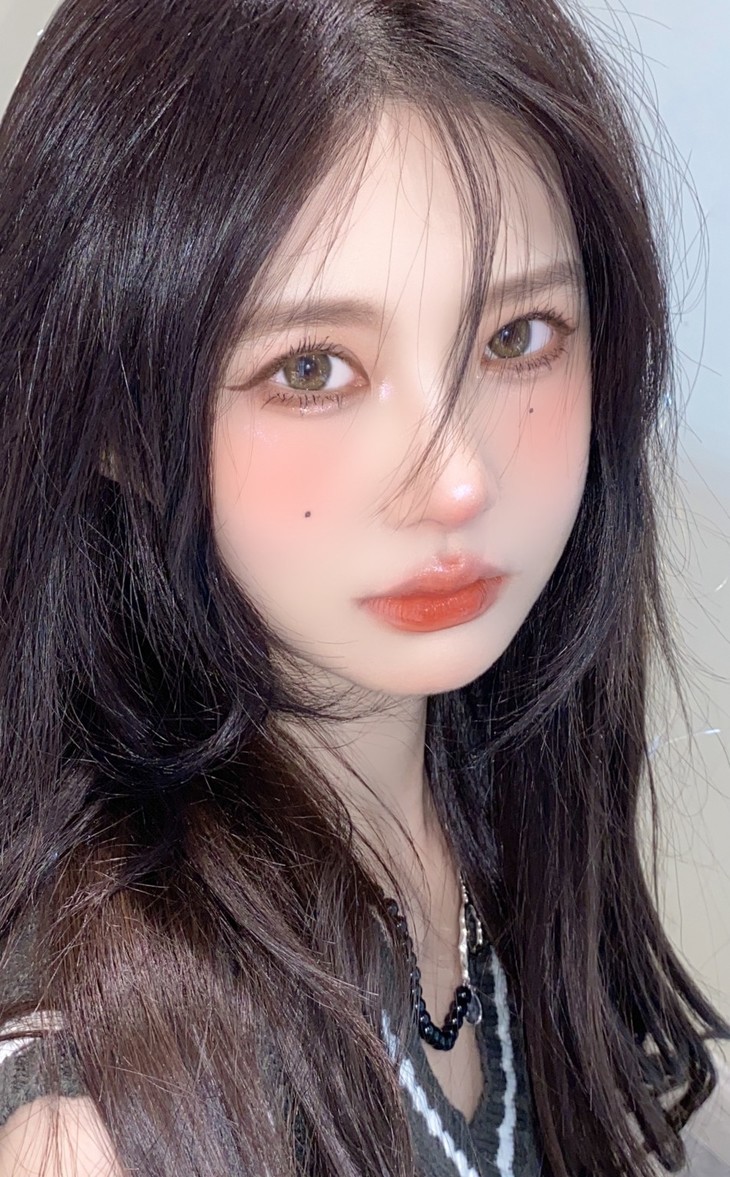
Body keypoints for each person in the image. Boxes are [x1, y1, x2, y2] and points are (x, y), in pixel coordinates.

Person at [0, 0, 728, 1174]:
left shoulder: (511, 831)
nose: (457, 479)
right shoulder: (97, 1121)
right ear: (114, 418)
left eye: (517, 337)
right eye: (312, 368)